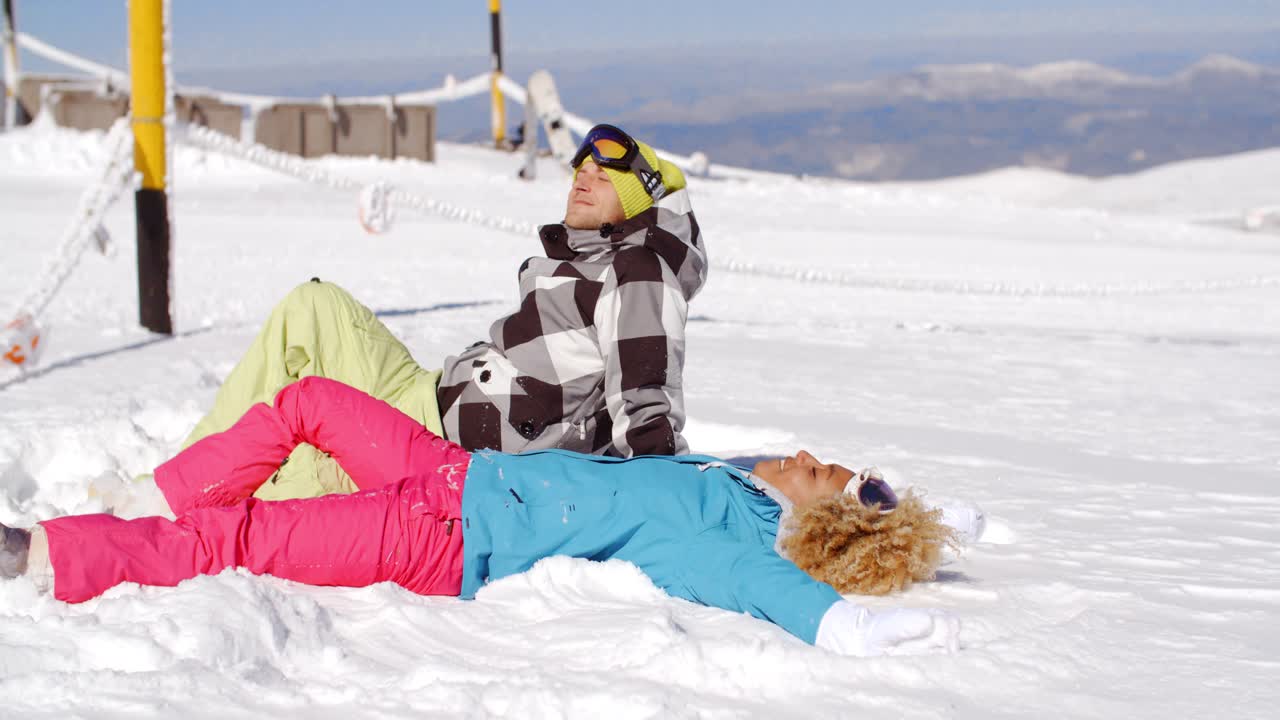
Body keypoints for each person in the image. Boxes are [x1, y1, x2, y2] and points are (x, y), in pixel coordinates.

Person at [2, 377, 961, 658]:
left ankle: (47, 554)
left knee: (242, 538)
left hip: (445, 537)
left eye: (820, 470)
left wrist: (840, 619)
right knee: (312, 402)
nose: (800, 454)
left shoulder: (716, 538)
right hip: (456, 471)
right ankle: (156, 499)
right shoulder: (733, 481)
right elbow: (773, 473)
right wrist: (934, 516)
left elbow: (758, 583)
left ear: (820, 529)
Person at [173, 124, 706, 506]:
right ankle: (191, 467)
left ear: (639, 201)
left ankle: (180, 496)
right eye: (579, 170)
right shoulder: (593, 263)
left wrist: (665, 498)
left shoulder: (638, 270)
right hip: (427, 393)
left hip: (435, 446)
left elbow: (644, 399)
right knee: (313, 307)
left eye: (603, 177)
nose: (581, 179)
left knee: (295, 478)